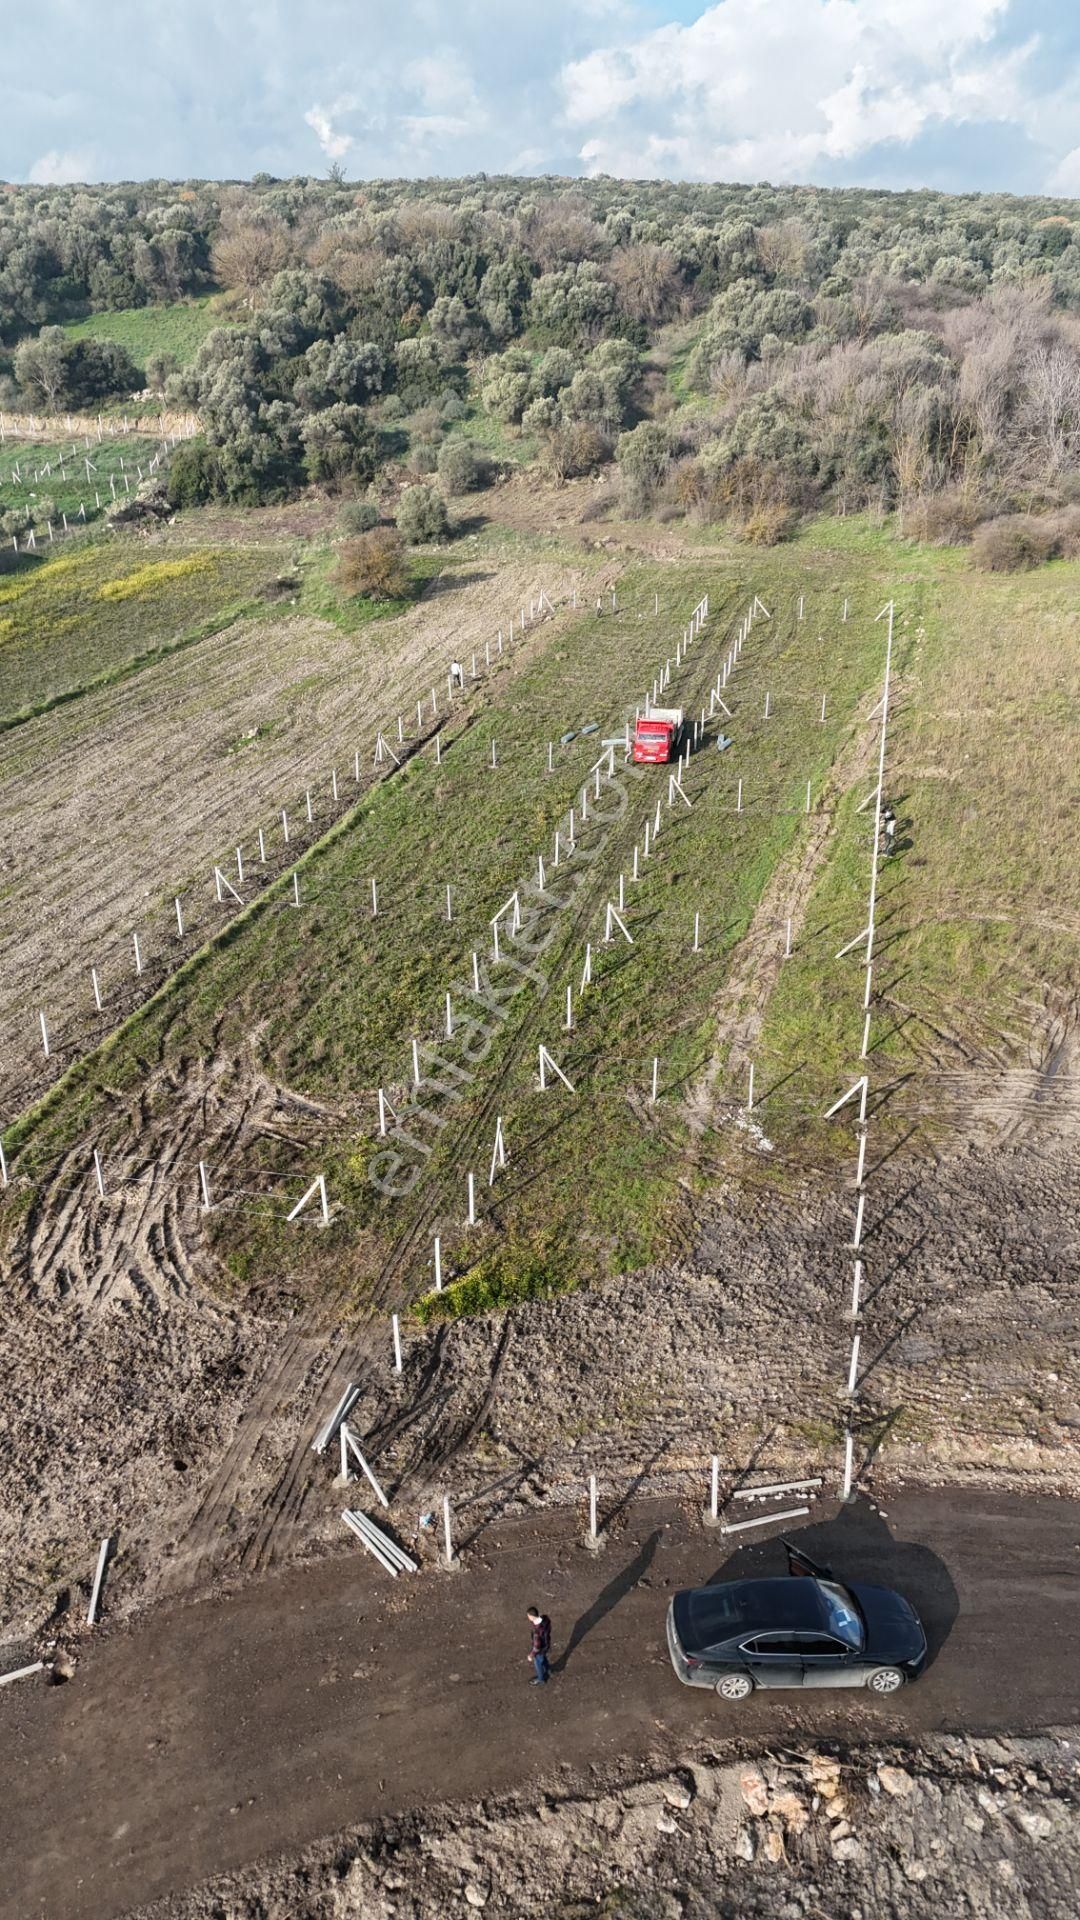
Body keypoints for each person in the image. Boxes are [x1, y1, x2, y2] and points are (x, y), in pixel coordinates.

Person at [526, 1605, 551, 1685]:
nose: (528, 1617)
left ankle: (541, 1679)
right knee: (543, 1658)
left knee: (538, 1663)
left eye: (528, 1616)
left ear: (532, 1616)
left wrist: (531, 1655)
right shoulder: (545, 1619)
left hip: (540, 1649)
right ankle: (547, 1669)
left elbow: (536, 1647)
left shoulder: (537, 1631)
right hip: (546, 1644)